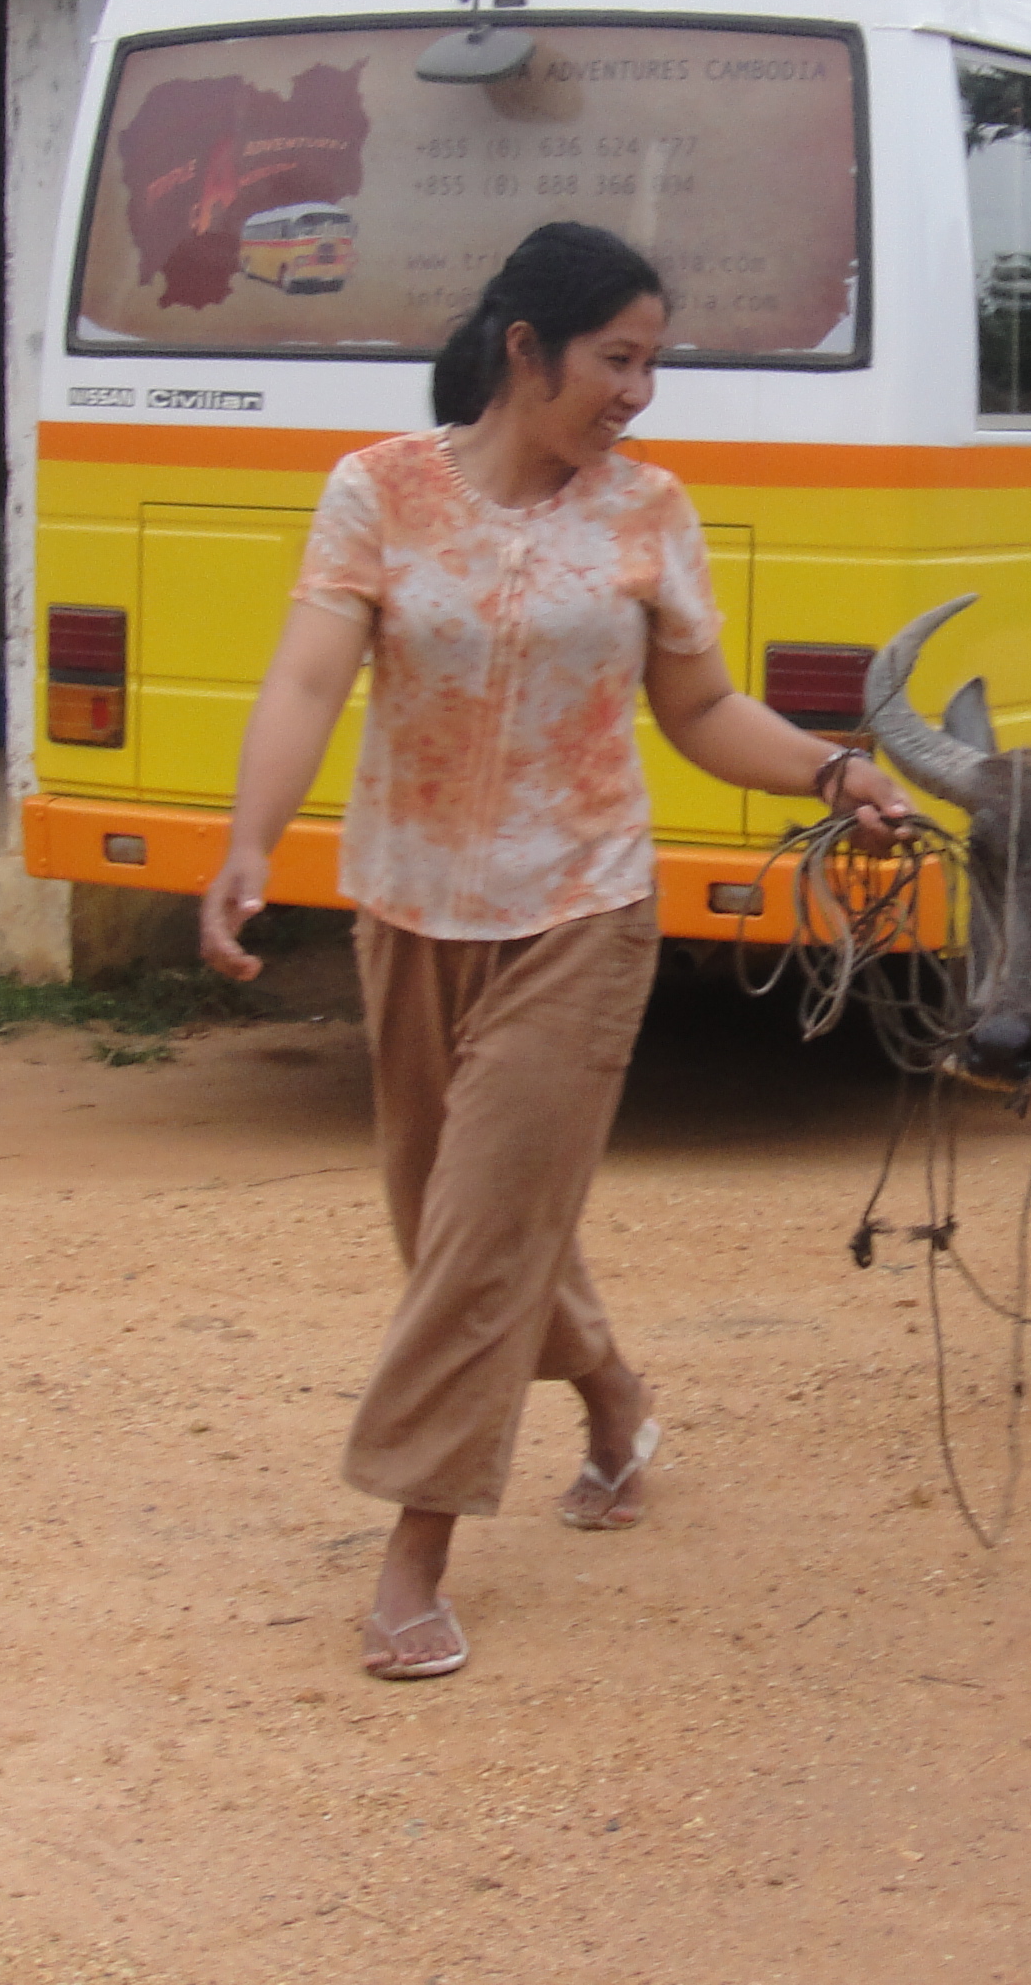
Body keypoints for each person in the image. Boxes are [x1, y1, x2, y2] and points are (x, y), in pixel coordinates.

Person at [193, 222, 916, 1683]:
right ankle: (613, 1392)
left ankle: (415, 1552)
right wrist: (250, 845)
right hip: (407, 910)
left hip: (583, 912)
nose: (638, 393)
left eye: (653, 363)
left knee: (475, 1239)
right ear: (527, 349)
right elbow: (309, 679)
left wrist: (835, 770)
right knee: (455, 1226)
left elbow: (701, 711)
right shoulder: (378, 492)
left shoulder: (650, 511)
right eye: (617, 359)